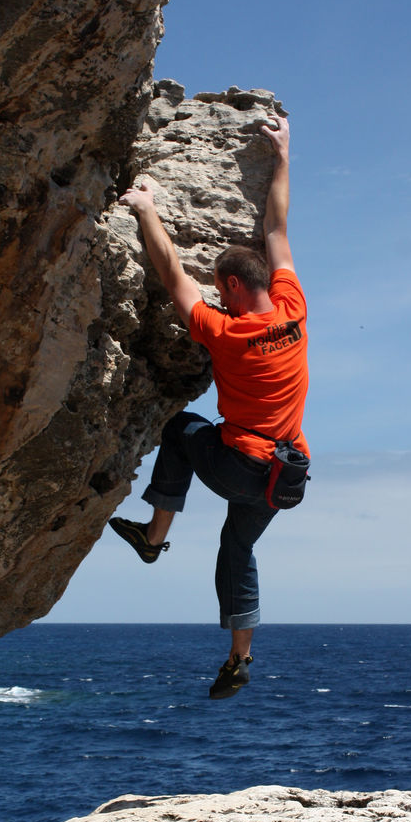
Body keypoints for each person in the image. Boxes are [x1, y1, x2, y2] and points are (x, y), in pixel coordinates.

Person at [110, 115, 309, 700]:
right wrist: (283, 154)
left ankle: (155, 535)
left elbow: (174, 276)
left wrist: (147, 209)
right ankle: (238, 659)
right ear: (267, 282)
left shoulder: (224, 331)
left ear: (228, 289)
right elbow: (276, 225)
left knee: (179, 429)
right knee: (238, 548)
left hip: (241, 466)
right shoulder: (293, 308)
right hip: (288, 475)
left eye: (219, 289)